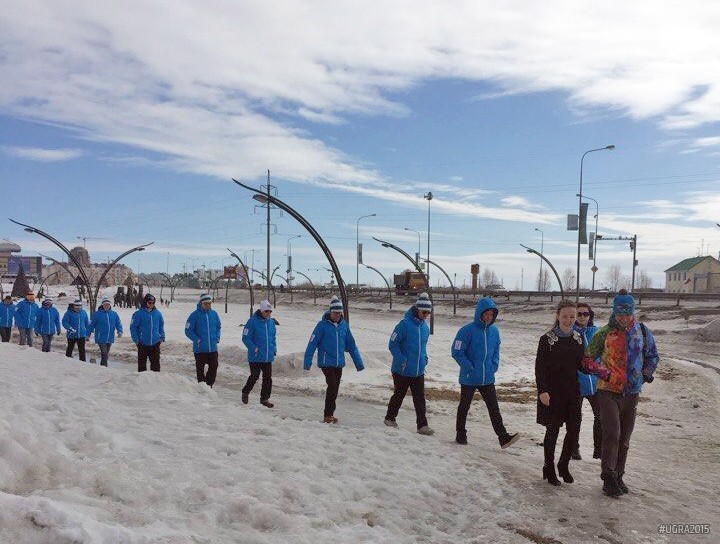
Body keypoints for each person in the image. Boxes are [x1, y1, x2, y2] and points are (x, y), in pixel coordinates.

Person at [582, 290, 659, 497]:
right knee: (612, 434)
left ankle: (619, 475)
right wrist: (604, 373)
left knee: (624, 438)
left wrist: (645, 374)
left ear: (633, 312)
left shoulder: (642, 331)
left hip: (632, 393)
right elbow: (587, 360)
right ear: (614, 312)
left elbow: (652, 356)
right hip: (608, 391)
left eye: (627, 314)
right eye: (619, 314)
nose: (623, 318)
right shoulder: (604, 333)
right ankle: (608, 477)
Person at [452, 297, 519, 448]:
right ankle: (460, 434)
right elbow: (457, 351)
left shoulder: (494, 331)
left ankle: (503, 437)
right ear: (479, 314)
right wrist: (469, 366)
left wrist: (494, 364)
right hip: (469, 377)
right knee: (464, 407)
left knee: (494, 408)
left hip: (487, 377)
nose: (489, 317)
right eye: (486, 314)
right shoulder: (466, 331)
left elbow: (496, 349)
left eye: (491, 315)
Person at [535, 300, 584, 486]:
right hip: (552, 393)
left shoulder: (578, 338)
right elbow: (540, 368)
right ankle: (548, 467)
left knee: (574, 430)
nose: (568, 320)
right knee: (553, 431)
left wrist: (597, 367)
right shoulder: (547, 339)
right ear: (558, 316)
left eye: (572, 316)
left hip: (573, 392)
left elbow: (581, 365)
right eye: (565, 316)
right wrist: (542, 390)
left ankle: (563, 464)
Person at [304, 296, 364, 423]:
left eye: (339, 313)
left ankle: (330, 413)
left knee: (335, 389)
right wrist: (307, 362)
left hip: (339, 363)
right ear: (330, 312)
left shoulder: (344, 326)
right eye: (335, 313)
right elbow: (312, 344)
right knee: (332, 386)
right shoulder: (321, 326)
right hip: (326, 362)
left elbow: (351, 345)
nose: (337, 315)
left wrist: (358, 363)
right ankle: (327, 415)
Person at [383, 292, 434, 435]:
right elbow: (393, 344)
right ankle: (389, 418)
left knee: (420, 398)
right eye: (424, 312)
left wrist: (425, 358)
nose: (426, 315)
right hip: (402, 369)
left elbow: (422, 346)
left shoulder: (425, 328)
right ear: (417, 310)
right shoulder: (404, 325)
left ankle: (422, 426)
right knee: (399, 394)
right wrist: (402, 359)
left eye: (428, 313)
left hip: (418, 369)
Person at [573, 302, 601, 460]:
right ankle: (573, 449)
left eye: (586, 314)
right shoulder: (570, 333)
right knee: (575, 418)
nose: (582, 317)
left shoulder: (596, 332)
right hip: (576, 383)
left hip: (595, 383)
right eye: (579, 314)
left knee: (601, 416)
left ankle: (599, 450)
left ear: (590, 316)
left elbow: (603, 354)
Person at [242, 300, 276, 407]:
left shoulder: (271, 323)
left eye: (270, 311)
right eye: (266, 311)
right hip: (255, 356)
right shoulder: (252, 321)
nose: (268, 313)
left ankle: (264, 399)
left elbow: (273, 337)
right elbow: (245, 337)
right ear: (261, 311)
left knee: (268, 378)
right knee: (254, 376)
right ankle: (245, 391)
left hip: (267, 356)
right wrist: (253, 348)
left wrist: (274, 348)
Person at [185, 293, 222, 387]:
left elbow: (218, 327)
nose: (208, 305)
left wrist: (217, 337)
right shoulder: (194, 315)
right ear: (201, 303)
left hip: (212, 348)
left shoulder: (214, 314)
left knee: (214, 366)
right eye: (206, 303)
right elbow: (188, 330)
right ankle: (201, 386)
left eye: (209, 303)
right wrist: (196, 339)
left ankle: (209, 386)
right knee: (200, 369)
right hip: (200, 348)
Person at [130, 293, 165, 372]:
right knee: (142, 367)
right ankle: (142, 379)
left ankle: (155, 379)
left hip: (155, 343)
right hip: (142, 344)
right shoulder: (138, 314)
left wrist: (162, 336)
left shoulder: (158, 313)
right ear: (145, 302)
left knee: (156, 366)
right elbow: (133, 328)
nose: (151, 304)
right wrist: (136, 340)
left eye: (153, 303)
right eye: (149, 302)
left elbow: (161, 326)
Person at [89, 296, 123, 366]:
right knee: (104, 352)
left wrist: (120, 331)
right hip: (100, 337)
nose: (106, 306)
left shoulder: (114, 314)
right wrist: (87, 334)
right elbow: (92, 325)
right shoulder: (97, 314)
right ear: (102, 305)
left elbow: (118, 323)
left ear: (110, 305)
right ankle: (104, 367)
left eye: (108, 304)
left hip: (110, 337)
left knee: (106, 353)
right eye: (105, 304)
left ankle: (103, 366)